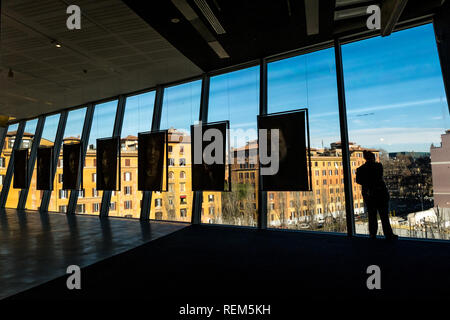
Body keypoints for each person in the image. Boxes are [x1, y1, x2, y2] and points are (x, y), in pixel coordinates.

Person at [356, 150, 398, 241]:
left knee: (372, 216)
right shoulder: (378, 166)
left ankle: (373, 235)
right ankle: (388, 235)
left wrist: (367, 182)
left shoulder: (360, 169)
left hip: (369, 195)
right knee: (384, 217)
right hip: (380, 194)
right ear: (373, 158)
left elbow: (359, 181)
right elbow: (379, 176)